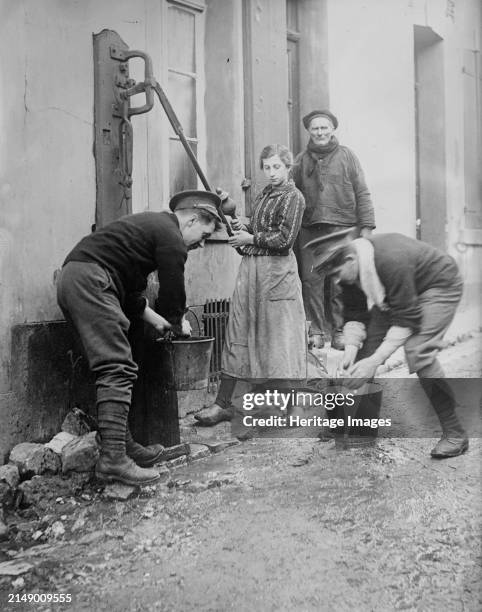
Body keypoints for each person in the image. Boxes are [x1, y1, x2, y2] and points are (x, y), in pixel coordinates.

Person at [57, 191, 222, 485]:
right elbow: (173, 288)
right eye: (204, 235)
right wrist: (176, 320)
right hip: (92, 281)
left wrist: (154, 318)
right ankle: (113, 461)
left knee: (117, 366)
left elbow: (129, 290)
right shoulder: (171, 236)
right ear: (192, 219)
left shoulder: (152, 228)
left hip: (77, 278)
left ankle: (121, 445)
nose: (202, 243)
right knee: (116, 367)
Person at [307, 229, 468, 458]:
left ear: (350, 259)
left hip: (438, 286)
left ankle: (455, 433)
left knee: (417, 350)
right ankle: (360, 429)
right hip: (399, 295)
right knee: (363, 351)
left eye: (336, 274)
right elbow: (355, 313)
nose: (336, 281)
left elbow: (406, 317)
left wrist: (375, 361)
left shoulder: (391, 260)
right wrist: (352, 353)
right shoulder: (352, 268)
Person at [195, 144, 307, 426]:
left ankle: (293, 408)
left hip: (278, 274)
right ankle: (222, 404)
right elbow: (253, 228)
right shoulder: (264, 194)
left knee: (280, 339)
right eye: (267, 167)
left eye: (276, 167)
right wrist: (234, 217)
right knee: (238, 331)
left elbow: (284, 240)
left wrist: (250, 239)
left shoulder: (294, 197)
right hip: (251, 271)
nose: (271, 173)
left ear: (287, 167)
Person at [292, 109, 376, 350]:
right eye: (315, 128)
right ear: (309, 131)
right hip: (311, 229)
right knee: (311, 280)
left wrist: (366, 227)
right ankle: (316, 332)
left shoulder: (347, 156)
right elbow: (291, 193)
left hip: (343, 228)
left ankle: (339, 331)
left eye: (324, 128)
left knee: (340, 281)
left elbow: (362, 191)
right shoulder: (300, 160)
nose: (320, 132)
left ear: (332, 130)